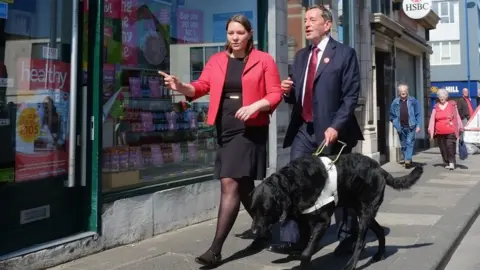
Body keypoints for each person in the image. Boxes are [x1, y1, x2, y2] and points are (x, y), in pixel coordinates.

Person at [159, 14, 283, 267]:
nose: (235, 38)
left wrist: (257, 106)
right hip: (224, 127)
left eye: (239, 33)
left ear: (249, 34)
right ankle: (265, 225)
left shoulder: (264, 60)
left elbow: (275, 93)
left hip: (249, 128)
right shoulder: (216, 60)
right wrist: (181, 86)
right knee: (244, 184)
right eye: (230, 33)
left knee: (229, 182)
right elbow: (201, 87)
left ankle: (215, 250)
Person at [268, 5, 364, 256]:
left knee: (339, 185)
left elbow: (351, 96)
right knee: (294, 181)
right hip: (304, 129)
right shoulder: (300, 57)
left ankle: (347, 236)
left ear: (328, 24)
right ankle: (294, 238)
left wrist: (336, 125)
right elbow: (299, 98)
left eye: (313, 19)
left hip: (334, 131)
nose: (307, 24)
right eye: (305, 20)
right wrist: (288, 92)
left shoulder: (345, 54)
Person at [428, 88, 463, 170]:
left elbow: (457, 117)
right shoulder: (436, 107)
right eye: (440, 96)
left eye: (443, 95)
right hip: (439, 131)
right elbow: (432, 120)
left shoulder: (452, 105)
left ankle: (451, 162)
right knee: (443, 148)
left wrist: (460, 128)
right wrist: (431, 132)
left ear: (446, 96)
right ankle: (446, 161)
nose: (442, 97)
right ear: (438, 97)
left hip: (451, 130)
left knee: (450, 146)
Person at [389, 84, 421, 169]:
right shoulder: (395, 102)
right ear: (399, 93)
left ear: (407, 92)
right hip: (400, 127)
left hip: (411, 126)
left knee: (409, 142)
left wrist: (418, 125)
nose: (403, 92)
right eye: (401, 91)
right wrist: (395, 123)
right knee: (403, 145)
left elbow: (418, 114)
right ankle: (408, 159)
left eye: (405, 90)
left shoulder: (413, 101)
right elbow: (391, 115)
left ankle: (407, 160)